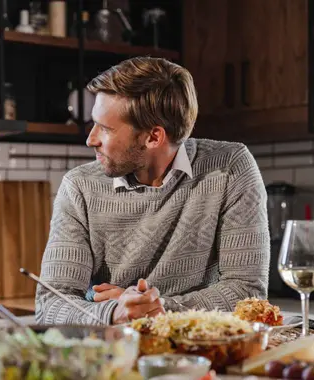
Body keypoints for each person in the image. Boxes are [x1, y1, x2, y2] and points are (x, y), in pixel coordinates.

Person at [35, 57, 270, 326]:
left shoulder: (229, 168)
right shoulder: (80, 187)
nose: (91, 139)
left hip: (200, 355)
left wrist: (156, 309)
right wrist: (116, 311)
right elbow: (50, 304)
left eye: (106, 128)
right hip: (113, 357)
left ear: (154, 137)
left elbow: (248, 294)